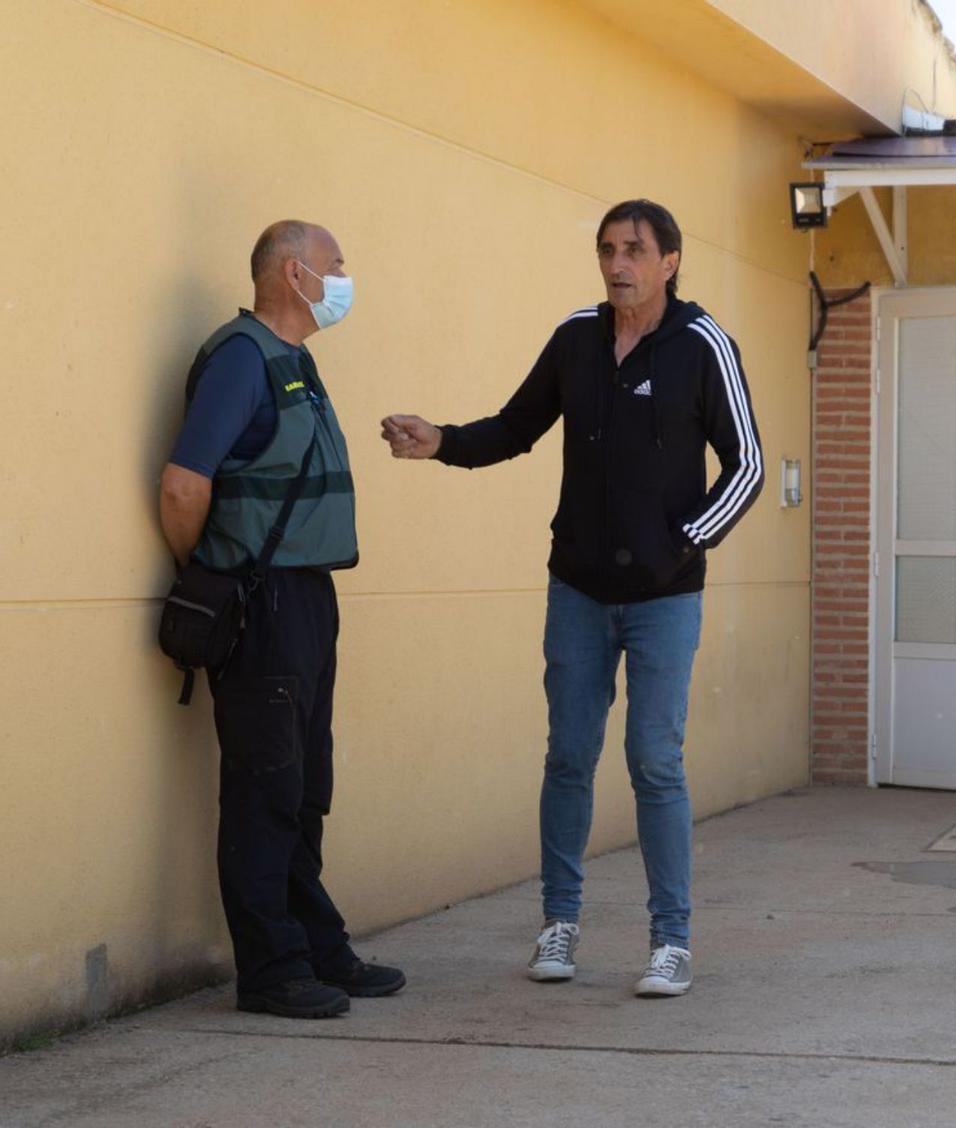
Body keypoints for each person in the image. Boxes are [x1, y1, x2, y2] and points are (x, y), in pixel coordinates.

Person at [381, 199, 763, 996]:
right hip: (578, 592)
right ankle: (558, 926)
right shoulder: (574, 340)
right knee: (568, 757)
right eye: (606, 249)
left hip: (665, 598)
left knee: (655, 762)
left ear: (670, 261)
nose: (618, 263)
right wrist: (443, 441)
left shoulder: (703, 345)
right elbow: (516, 427)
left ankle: (671, 941)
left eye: (634, 249)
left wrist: (682, 543)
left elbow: (747, 466)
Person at [159, 220, 406, 1018]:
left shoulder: (294, 360)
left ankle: (315, 946)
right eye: (337, 265)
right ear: (296, 275)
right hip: (261, 600)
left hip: (307, 598)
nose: (346, 279)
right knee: (267, 788)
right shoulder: (240, 357)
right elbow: (181, 486)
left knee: (304, 786)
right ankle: (269, 971)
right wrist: (212, 572)